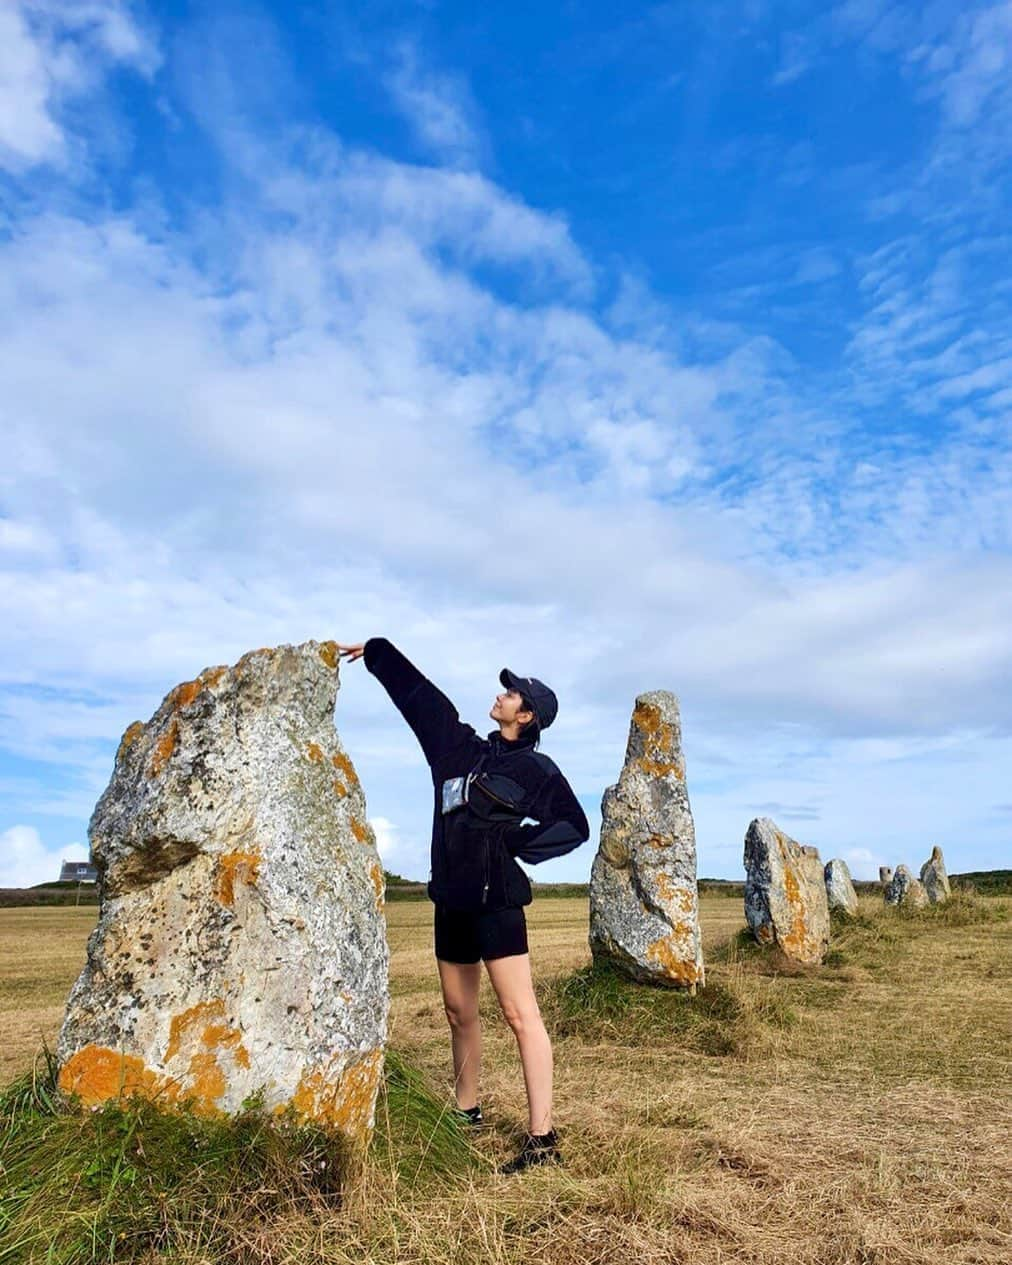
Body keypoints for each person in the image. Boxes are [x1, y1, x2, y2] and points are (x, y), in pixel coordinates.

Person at [336, 638, 589, 1173]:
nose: (501, 694)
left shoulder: (536, 771)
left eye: (512, 692)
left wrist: (516, 846)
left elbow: (573, 826)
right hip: (450, 901)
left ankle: (541, 1138)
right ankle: (466, 1112)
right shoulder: (458, 750)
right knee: (458, 1013)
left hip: (497, 904)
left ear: (528, 715)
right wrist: (379, 653)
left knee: (521, 1016)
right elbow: (423, 702)